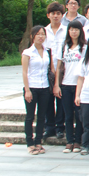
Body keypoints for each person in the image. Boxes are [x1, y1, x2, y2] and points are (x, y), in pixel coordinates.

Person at [54, 20, 86, 153]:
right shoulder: (64, 46)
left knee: (79, 115)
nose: (74, 32)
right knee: (67, 115)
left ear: (80, 31)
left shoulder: (84, 47)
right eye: (71, 29)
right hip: (66, 85)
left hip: (79, 86)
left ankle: (78, 141)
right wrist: (57, 85)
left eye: (76, 29)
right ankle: (69, 141)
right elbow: (59, 67)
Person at [22, 25, 53, 155]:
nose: (41, 37)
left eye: (43, 34)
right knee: (30, 116)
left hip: (44, 87)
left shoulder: (47, 51)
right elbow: (24, 72)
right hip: (32, 87)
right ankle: (30, 143)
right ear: (32, 36)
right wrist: (27, 90)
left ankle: (38, 141)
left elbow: (50, 69)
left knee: (42, 116)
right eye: (38, 34)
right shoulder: (27, 53)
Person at [44, 2, 66, 141]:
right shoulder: (43, 32)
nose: (56, 16)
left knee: (61, 99)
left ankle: (60, 127)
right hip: (47, 70)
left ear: (62, 15)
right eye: (53, 13)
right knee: (48, 100)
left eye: (58, 13)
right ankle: (49, 127)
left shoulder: (66, 30)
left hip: (63, 69)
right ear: (48, 15)